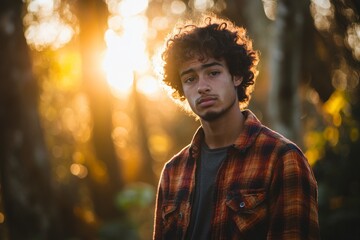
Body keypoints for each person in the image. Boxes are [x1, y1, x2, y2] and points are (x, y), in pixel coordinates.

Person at [153, 13, 320, 240]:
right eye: (190, 79)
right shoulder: (173, 171)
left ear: (237, 76)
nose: (202, 87)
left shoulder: (281, 158)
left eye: (213, 73)